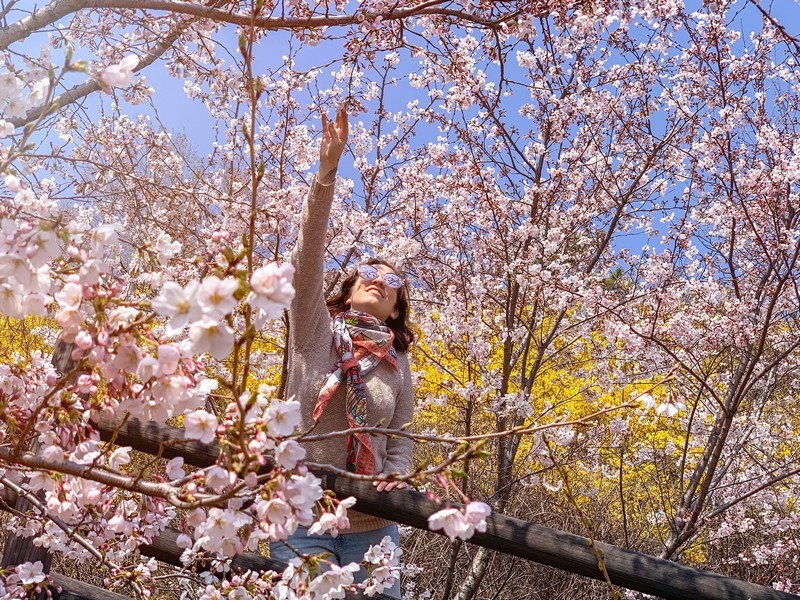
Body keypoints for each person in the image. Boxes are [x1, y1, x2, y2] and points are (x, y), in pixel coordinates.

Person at [269, 109, 415, 597]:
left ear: (396, 308)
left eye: (392, 281)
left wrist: (395, 479)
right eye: (367, 272)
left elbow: (401, 436)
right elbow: (305, 261)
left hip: (373, 523)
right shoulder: (314, 330)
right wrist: (326, 175)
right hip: (298, 509)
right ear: (348, 289)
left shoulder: (396, 363)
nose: (379, 279)